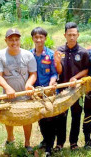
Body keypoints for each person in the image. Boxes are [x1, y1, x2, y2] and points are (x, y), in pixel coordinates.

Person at [0, 28, 37, 152]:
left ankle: (27, 143)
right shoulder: (0, 55)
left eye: (16, 39)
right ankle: (10, 138)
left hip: (25, 95)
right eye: (11, 40)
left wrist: (29, 84)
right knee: (9, 117)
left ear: (20, 40)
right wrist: (7, 88)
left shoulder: (28, 55)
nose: (14, 42)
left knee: (27, 118)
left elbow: (33, 73)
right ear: (5, 41)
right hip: (8, 95)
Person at [54, 22, 90, 150]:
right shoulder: (59, 51)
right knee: (61, 117)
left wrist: (76, 77)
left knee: (76, 116)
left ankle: (73, 143)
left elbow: (86, 69)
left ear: (78, 35)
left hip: (77, 90)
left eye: (74, 35)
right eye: (69, 35)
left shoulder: (83, 52)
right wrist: (57, 62)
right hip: (62, 90)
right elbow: (58, 71)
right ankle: (60, 143)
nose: (72, 37)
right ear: (65, 35)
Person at [29, 27, 57, 156]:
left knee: (49, 118)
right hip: (35, 93)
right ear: (33, 39)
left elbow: (54, 73)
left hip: (48, 92)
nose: (39, 40)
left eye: (41, 37)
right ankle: (45, 140)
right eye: (36, 37)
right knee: (40, 118)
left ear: (45, 38)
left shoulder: (51, 54)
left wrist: (52, 82)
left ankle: (49, 148)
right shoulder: (29, 55)